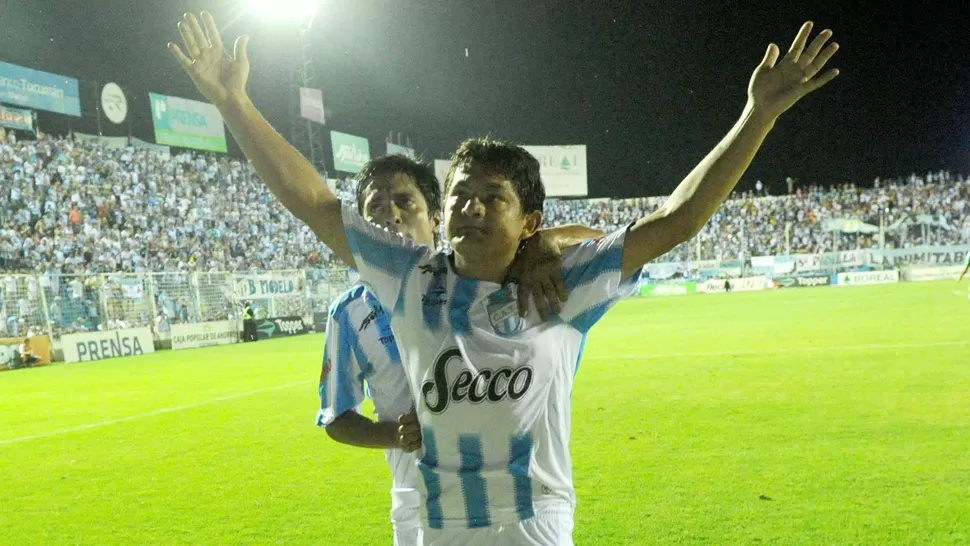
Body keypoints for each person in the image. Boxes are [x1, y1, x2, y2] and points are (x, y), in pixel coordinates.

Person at [170, 12, 839, 543]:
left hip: (535, 526)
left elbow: (678, 217)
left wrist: (760, 114)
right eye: (460, 193)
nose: (471, 205)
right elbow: (315, 202)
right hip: (438, 528)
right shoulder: (407, 280)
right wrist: (234, 102)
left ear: (530, 220)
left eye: (493, 196)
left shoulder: (565, 284)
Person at [316, 154, 601, 546]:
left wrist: (546, 240)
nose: (391, 216)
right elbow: (336, 416)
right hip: (416, 503)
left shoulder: (507, 272)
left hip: (521, 502)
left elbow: (606, 245)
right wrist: (394, 435)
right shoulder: (349, 313)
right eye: (375, 209)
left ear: (437, 216)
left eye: (404, 202)